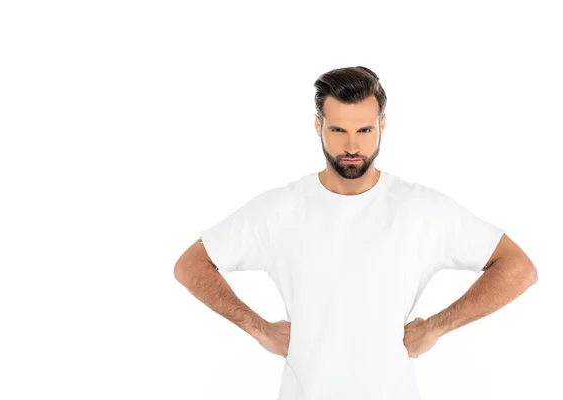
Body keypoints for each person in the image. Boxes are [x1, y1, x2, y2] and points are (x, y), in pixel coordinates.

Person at [173, 66, 538, 400]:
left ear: (382, 125)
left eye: (365, 130)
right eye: (338, 130)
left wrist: (438, 326)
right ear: (318, 126)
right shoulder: (281, 209)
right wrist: (259, 328)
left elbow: (517, 268)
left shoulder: (419, 209)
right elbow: (191, 265)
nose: (352, 147)